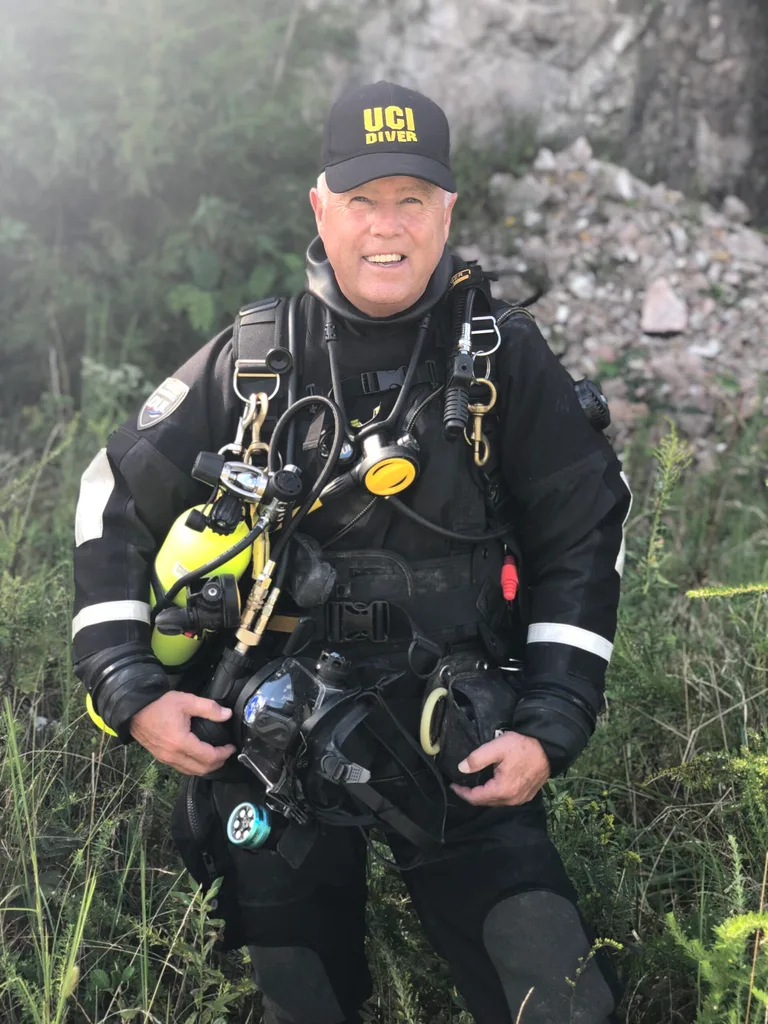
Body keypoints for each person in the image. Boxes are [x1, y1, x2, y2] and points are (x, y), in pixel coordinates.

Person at [72, 80, 631, 1024]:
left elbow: (586, 531)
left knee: (564, 1006)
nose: (388, 227)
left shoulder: (503, 362)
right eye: (363, 199)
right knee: (303, 1005)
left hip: (463, 741)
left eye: (412, 200)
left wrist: (551, 721)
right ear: (321, 209)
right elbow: (110, 499)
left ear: (446, 211)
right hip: (273, 746)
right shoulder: (254, 357)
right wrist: (128, 688)